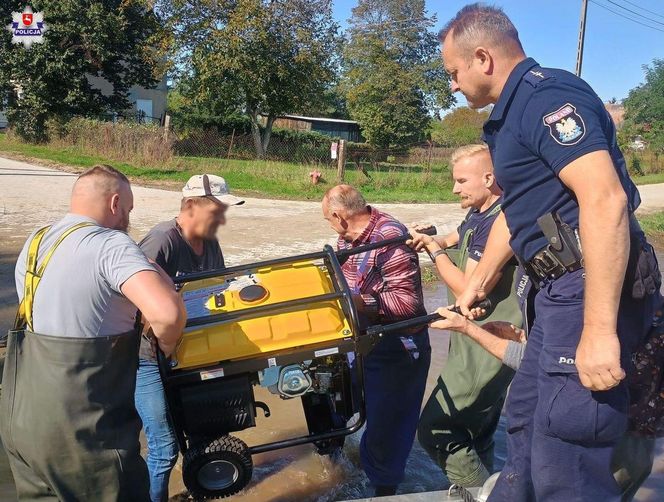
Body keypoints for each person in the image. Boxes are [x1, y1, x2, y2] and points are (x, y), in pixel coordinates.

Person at [440, 4, 662, 501]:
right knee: (525, 423)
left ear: (482, 58)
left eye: (454, 73)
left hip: (587, 289)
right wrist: (474, 285)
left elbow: (605, 200)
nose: (452, 85)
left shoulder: (548, 98)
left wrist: (600, 332)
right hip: (554, 294)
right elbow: (516, 215)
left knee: (570, 444)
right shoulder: (511, 115)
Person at [0, 165, 186, 501]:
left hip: (23, 427)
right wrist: (167, 346)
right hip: (83, 436)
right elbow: (167, 313)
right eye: (128, 209)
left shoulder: (36, 241)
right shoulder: (111, 244)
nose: (128, 218)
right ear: (115, 203)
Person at [407, 144, 525, 488]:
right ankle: (483, 486)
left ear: (489, 178)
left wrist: (432, 252)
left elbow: (468, 287)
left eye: (461, 181)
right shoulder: (479, 211)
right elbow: (452, 238)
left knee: (436, 429)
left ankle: (484, 495)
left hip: (488, 342)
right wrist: (431, 237)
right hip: (471, 336)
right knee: (478, 432)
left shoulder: (499, 221)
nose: (454, 188)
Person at [135, 174, 244, 502]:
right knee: (165, 447)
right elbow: (135, 304)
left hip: (192, 352)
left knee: (209, 427)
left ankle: (201, 490)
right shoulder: (161, 241)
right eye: (218, 210)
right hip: (148, 358)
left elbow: (221, 291)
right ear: (191, 206)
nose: (223, 218)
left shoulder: (211, 243)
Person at [321, 184, 431, 497]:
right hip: (365, 339)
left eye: (329, 220)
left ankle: (384, 491)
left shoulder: (389, 240)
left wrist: (357, 301)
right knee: (335, 402)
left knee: (388, 428)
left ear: (341, 216)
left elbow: (408, 304)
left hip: (398, 346)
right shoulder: (348, 236)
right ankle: (339, 468)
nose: (331, 228)